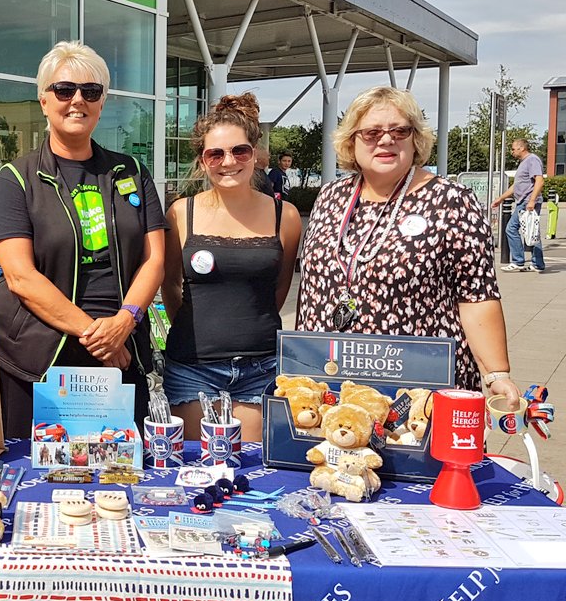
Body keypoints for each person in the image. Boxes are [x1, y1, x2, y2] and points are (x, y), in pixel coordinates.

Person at [0, 41, 166, 439]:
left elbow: (154, 260)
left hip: (120, 352)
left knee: (117, 471)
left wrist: (123, 323)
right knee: (33, 473)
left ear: (102, 103)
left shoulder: (131, 170)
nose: (77, 100)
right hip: (37, 356)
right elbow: (20, 277)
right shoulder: (16, 178)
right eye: (64, 90)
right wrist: (99, 336)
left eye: (91, 91)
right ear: (44, 100)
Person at [297, 86, 522, 408]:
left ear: (416, 138)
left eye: (399, 130)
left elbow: (477, 295)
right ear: (351, 141)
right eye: (372, 132)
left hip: (417, 386)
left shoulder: (451, 201)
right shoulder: (331, 197)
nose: (386, 140)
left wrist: (496, 374)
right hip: (332, 380)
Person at [161, 94, 301, 441]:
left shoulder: (286, 216)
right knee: (193, 473)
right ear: (202, 160)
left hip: (263, 367)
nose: (229, 162)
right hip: (193, 368)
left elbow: (279, 289)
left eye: (240, 151)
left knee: (251, 475)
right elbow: (170, 287)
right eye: (216, 154)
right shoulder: (181, 213)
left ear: (255, 155)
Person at [492, 138, 545, 272]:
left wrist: (532, 200)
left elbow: (539, 180)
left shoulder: (532, 160)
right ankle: (537, 263)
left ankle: (518, 261)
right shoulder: (524, 163)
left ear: (522, 148)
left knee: (511, 229)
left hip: (528, 202)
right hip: (524, 201)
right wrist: (501, 198)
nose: (512, 151)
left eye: (514, 149)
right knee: (532, 232)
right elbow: (516, 186)